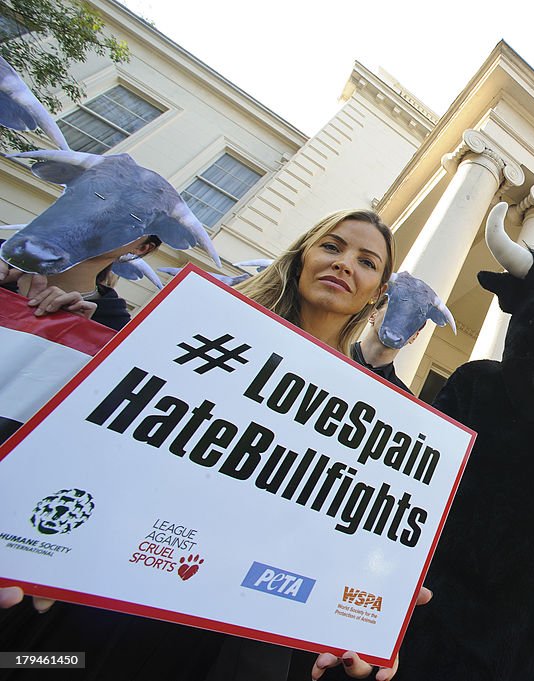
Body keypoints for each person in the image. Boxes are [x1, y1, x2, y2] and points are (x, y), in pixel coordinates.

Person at [0, 209, 423, 681]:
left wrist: (372, 611)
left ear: (378, 293)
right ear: (302, 254)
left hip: (240, 643)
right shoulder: (190, 328)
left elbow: (342, 525)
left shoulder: (371, 415)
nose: (344, 263)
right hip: (94, 609)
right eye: (332, 246)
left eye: (366, 261)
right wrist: (41, 544)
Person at [0, 235, 161, 330]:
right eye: (98, 197)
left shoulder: (112, 328)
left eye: (132, 217)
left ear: (141, 248)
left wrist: (71, 334)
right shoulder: (4, 256)